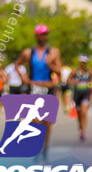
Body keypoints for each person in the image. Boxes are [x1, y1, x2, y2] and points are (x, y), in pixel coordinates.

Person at [17, 24, 61, 162]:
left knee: (46, 123)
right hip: (34, 87)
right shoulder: (28, 52)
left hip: (48, 88)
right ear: (36, 36)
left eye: (45, 34)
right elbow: (17, 64)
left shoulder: (53, 52)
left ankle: (45, 148)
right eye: (41, 34)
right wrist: (22, 75)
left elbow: (60, 71)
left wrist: (50, 65)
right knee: (35, 120)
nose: (43, 37)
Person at [69, 55, 92, 142]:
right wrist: (74, 81)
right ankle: (80, 125)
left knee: (83, 112)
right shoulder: (75, 71)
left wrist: (91, 84)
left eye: (84, 63)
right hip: (77, 94)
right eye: (81, 62)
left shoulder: (89, 72)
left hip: (86, 93)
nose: (83, 64)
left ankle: (83, 132)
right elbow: (68, 81)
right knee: (79, 113)